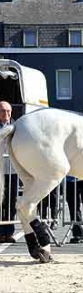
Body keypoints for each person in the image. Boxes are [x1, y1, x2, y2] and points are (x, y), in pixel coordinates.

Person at [0, 101, 18, 243]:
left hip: (12, 170)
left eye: (8, 111)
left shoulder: (16, 127)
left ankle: (9, 232)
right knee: (1, 203)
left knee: (11, 203)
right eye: (2, 111)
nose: (6, 114)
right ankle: (1, 232)